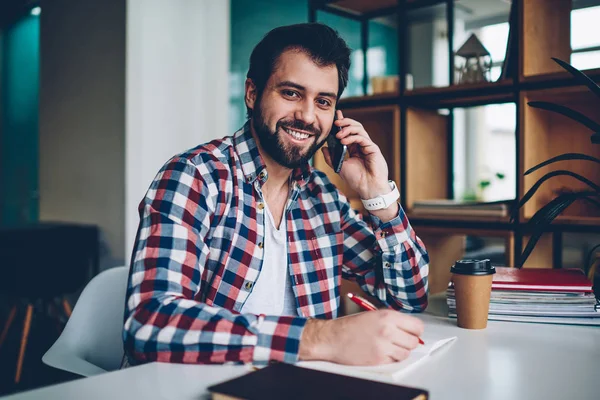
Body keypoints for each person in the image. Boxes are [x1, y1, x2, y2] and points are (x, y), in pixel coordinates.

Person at [123, 22, 429, 368]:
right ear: (252, 93)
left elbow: (409, 298)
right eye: (291, 93)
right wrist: (321, 338)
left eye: (324, 101)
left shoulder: (324, 198)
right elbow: (149, 325)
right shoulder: (195, 178)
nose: (308, 116)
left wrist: (380, 199)